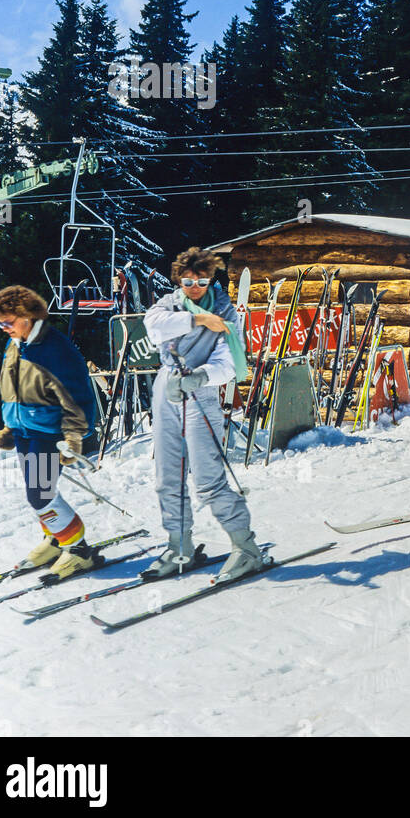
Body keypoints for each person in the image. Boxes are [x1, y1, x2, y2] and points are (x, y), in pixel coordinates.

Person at [145, 247, 260, 581]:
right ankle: (179, 545)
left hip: (200, 390)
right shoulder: (172, 302)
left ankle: (246, 547)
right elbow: (153, 326)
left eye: (201, 281)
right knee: (168, 475)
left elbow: (229, 363)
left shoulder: (225, 310)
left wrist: (198, 377)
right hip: (167, 388)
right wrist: (196, 318)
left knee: (208, 480)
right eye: (187, 281)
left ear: (211, 279)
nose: (194, 287)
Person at [0, 285, 99, 578]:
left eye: (7, 322)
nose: (3, 329)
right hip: (25, 430)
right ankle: (54, 538)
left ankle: (78, 549)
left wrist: (74, 436)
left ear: (27, 317)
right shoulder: (15, 344)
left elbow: (78, 396)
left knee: (40, 494)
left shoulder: (55, 349)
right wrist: (11, 425)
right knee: (36, 491)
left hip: (49, 432)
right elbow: (12, 387)